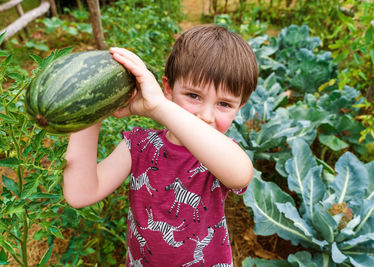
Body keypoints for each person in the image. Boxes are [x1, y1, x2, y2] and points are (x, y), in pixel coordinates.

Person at [63, 24, 258, 266]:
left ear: (240, 108)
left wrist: (159, 108)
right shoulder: (140, 146)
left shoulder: (219, 152)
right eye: (194, 96)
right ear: (167, 88)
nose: (207, 116)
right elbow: (81, 193)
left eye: (224, 104)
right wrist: (90, 109)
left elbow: (241, 175)